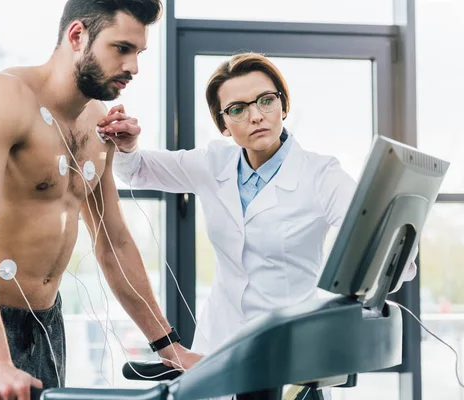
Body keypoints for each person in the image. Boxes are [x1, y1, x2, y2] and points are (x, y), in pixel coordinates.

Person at [0, 1, 202, 399]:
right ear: (77, 36)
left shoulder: (96, 121)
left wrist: (168, 345)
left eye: (138, 53)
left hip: (46, 323)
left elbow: (114, 241)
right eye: (121, 48)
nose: (134, 67)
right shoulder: (2, 96)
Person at [101, 52, 418, 399]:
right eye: (237, 109)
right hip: (217, 349)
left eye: (266, 101)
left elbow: (378, 251)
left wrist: (390, 263)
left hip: (290, 352)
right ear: (224, 124)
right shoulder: (213, 163)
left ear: (283, 105)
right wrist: (128, 145)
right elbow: (137, 169)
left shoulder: (321, 175)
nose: (256, 116)